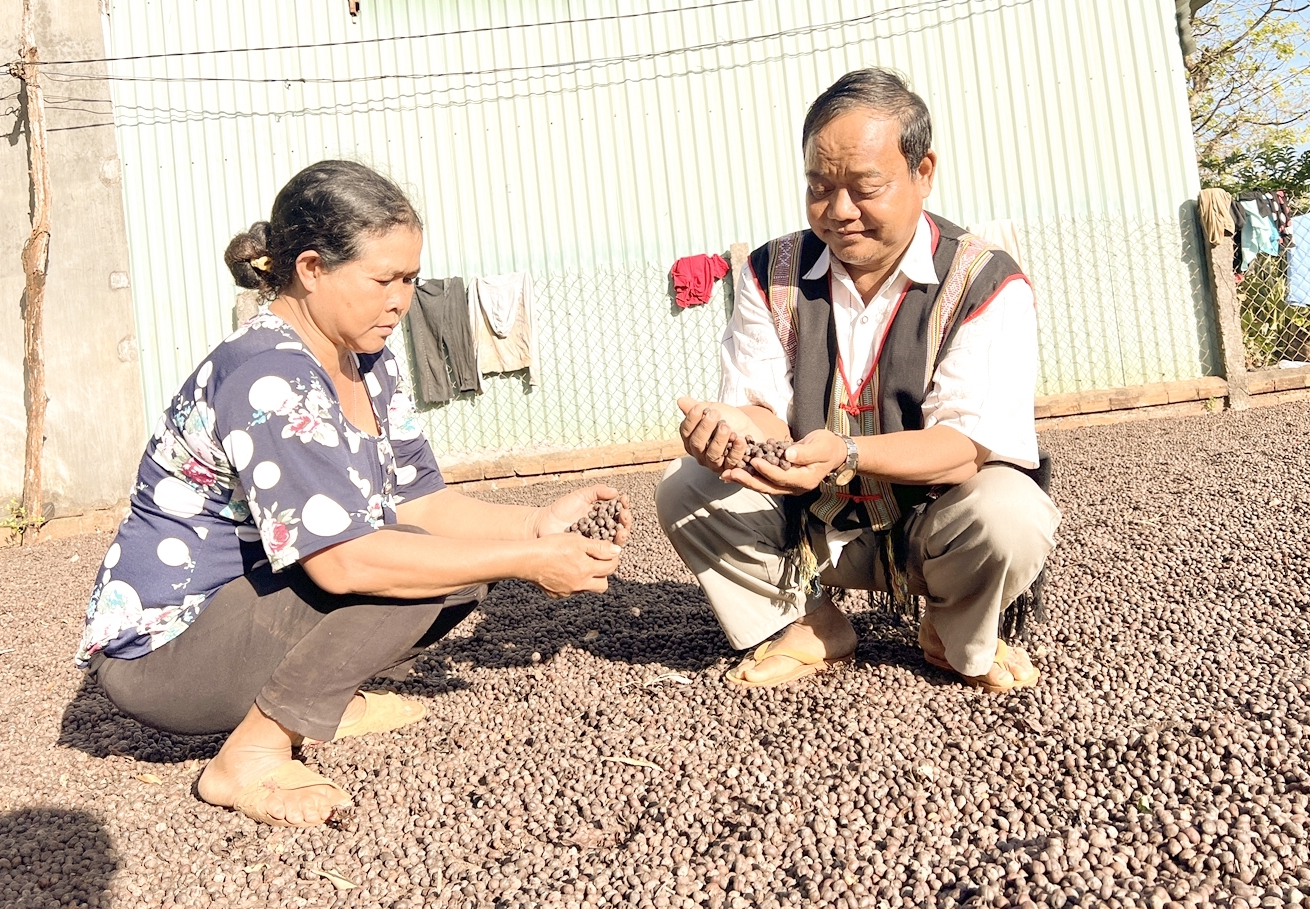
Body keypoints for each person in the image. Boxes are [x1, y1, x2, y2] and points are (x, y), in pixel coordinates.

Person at [75, 160, 630, 828]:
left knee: (455, 559)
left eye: (411, 279)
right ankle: (250, 754)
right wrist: (522, 561)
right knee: (416, 567)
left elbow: (422, 502)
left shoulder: (366, 360)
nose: (401, 299)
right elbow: (342, 564)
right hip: (167, 656)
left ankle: (323, 697)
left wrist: (537, 526)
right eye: (383, 279)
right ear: (311, 269)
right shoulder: (267, 375)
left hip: (244, 615)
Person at [655, 69, 1060, 691]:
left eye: (865, 187)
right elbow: (762, 409)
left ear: (923, 172)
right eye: (819, 187)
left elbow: (964, 447)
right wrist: (732, 430)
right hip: (810, 522)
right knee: (687, 487)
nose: (839, 212)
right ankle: (809, 624)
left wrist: (844, 452)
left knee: (1012, 512)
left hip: (933, 527)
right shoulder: (770, 273)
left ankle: (951, 630)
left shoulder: (986, 280)